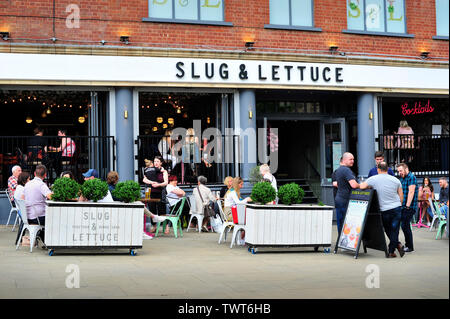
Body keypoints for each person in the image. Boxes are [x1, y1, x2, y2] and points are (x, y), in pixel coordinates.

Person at [360, 162, 405, 258]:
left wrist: (369, 186)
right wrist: (399, 205)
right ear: (387, 169)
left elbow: (361, 186)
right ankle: (394, 248)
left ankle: (393, 249)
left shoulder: (373, 179)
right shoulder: (396, 180)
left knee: (388, 230)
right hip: (396, 208)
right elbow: (401, 195)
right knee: (395, 230)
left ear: (378, 169)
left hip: (384, 210)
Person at [23, 164, 53, 246]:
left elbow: (23, 197)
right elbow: (50, 196)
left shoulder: (27, 184)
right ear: (45, 175)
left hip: (28, 216)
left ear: (34, 173)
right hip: (38, 218)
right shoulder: (42, 185)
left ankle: (45, 241)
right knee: (55, 218)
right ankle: (51, 242)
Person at [333, 152, 359, 235]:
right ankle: (345, 242)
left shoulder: (339, 170)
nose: (353, 161)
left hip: (340, 198)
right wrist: (362, 185)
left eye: (353, 159)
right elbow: (354, 185)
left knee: (341, 222)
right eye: (350, 159)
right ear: (344, 160)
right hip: (345, 200)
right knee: (347, 222)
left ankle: (341, 242)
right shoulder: (346, 170)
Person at [396, 163, 418, 253]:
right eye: (398, 171)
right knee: (404, 225)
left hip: (409, 206)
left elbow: (411, 192)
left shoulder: (411, 177)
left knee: (405, 225)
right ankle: (408, 245)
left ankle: (410, 246)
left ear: (406, 169)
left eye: (401, 170)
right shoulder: (402, 178)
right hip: (403, 206)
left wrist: (407, 206)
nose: (399, 173)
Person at [143, 156, 168, 232]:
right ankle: (154, 226)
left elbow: (166, 182)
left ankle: (166, 226)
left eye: (157, 161)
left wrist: (158, 185)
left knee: (162, 210)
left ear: (161, 163)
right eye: (154, 161)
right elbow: (144, 179)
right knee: (152, 210)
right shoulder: (149, 170)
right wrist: (152, 182)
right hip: (151, 192)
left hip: (160, 192)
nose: (156, 163)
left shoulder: (163, 171)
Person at [14, 171, 31, 245]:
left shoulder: (18, 188)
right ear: (24, 181)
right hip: (24, 213)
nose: (30, 181)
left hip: (21, 212)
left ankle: (19, 239)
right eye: (29, 179)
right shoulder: (23, 189)